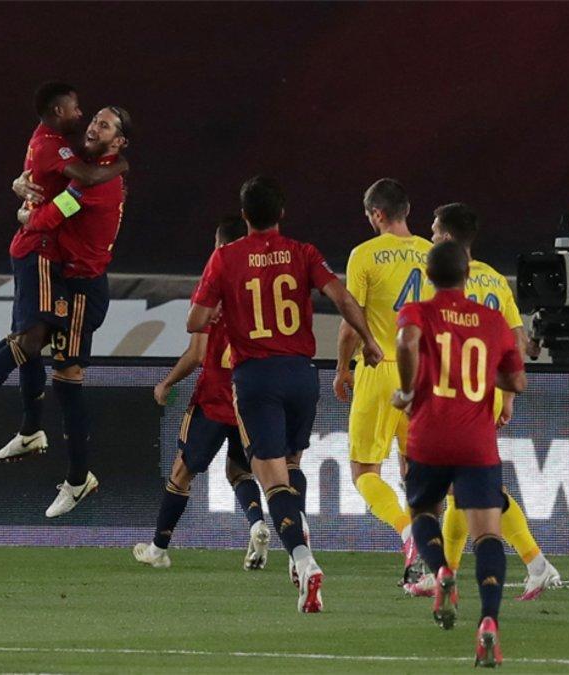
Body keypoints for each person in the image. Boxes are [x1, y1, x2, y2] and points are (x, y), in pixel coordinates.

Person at [188, 176, 383, 612]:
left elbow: (195, 320)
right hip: (301, 375)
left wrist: (223, 305)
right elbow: (343, 298)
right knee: (292, 466)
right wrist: (369, 341)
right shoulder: (303, 252)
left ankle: (303, 559)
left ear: (244, 216)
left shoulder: (225, 257)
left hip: (257, 377)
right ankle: (300, 533)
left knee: (268, 475)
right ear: (281, 214)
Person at [0, 82, 127, 458]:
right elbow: (70, 196)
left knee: (29, 341)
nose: (85, 120)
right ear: (59, 112)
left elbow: (68, 194)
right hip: (40, 251)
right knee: (30, 341)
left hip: (64, 266)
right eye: (81, 113)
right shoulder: (67, 153)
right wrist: (29, 214)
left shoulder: (74, 157)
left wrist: (26, 203)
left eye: (101, 125)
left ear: (119, 141)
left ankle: (28, 429)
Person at [403, 203, 560, 600]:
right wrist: (506, 396)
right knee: (467, 494)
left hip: (447, 398)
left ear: (449, 239)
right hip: (483, 392)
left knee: (465, 495)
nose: (432, 236)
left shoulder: (440, 280)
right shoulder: (493, 280)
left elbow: (418, 337)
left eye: (436, 231)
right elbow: (516, 338)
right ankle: (448, 572)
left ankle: (532, 562)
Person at [393, 240, 527, 666]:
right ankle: (488, 622)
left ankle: (442, 573)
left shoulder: (418, 312)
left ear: (428, 277)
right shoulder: (492, 320)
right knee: (487, 534)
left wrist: (408, 389)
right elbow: (517, 382)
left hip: (429, 437)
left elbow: (406, 340)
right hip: (476, 442)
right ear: (468, 275)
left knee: (423, 514)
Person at [133, 217, 272, 570]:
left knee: (181, 473)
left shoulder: (214, 284)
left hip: (213, 400)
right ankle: (257, 525)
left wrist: (167, 383)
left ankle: (158, 549)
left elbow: (197, 354)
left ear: (219, 246)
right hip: (251, 398)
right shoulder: (262, 288)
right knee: (240, 473)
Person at [15, 106, 132, 517]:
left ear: (118, 142)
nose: (93, 126)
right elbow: (50, 184)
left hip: (82, 287)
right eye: (95, 120)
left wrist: (26, 215)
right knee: (39, 352)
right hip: (70, 280)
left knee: (64, 377)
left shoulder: (101, 179)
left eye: (105, 125)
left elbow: (54, 211)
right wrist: (21, 186)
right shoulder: (90, 168)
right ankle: (37, 437)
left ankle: (78, 477)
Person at [333, 178, 432, 580]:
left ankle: (407, 532)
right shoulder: (432, 252)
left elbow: (350, 324)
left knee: (364, 471)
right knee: (420, 471)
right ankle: (429, 557)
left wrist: (342, 368)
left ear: (377, 214)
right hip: (424, 371)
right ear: (406, 210)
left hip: (378, 367)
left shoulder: (365, 255)